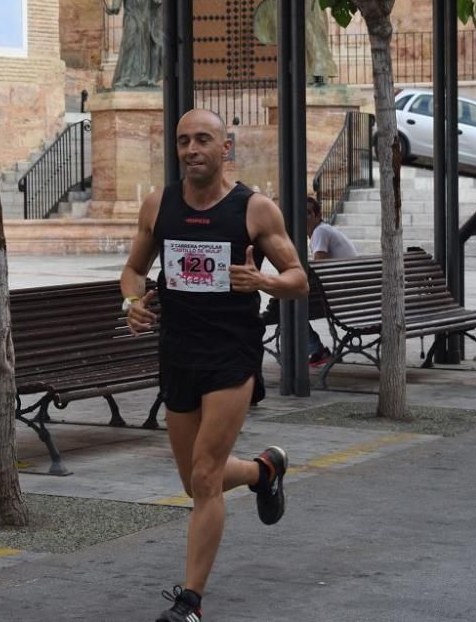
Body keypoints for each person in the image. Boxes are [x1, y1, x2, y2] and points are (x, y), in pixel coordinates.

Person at [121, 109, 309, 622]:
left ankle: (190, 603)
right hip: (177, 352)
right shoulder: (159, 205)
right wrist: (131, 304)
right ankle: (263, 470)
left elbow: (299, 279)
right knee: (194, 480)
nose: (191, 149)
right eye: (183, 141)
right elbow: (134, 270)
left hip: (231, 354)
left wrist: (262, 282)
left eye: (203, 139)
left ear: (226, 147)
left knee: (204, 476)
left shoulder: (255, 210)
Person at [306, 196, 358, 366]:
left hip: (338, 297)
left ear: (318, 215)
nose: (304, 217)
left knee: (290, 308)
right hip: (349, 295)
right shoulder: (324, 230)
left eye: (308, 213)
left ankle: (317, 350)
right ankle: (315, 349)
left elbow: (316, 267)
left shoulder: (320, 232)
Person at [106, 0, 162, 88]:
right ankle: (125, 77)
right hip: (132, 15)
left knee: (149, 46)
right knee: (129, 43)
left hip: (150, 16)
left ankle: (148, 77)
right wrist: (114, 7)